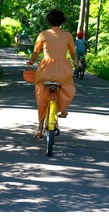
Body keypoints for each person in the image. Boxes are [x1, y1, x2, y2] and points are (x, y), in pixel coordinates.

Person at [27, 9, 79, 138]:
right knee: (67, 85)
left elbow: (36, 53)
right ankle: (63, 109)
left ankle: (39, 128)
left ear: (48, 21)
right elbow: (73, 52)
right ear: (62, 21)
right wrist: (76, 62)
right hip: (63, 69)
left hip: (46, 69)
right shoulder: (67, 35)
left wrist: (31, 62)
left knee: (41, 93)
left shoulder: (43, 35)